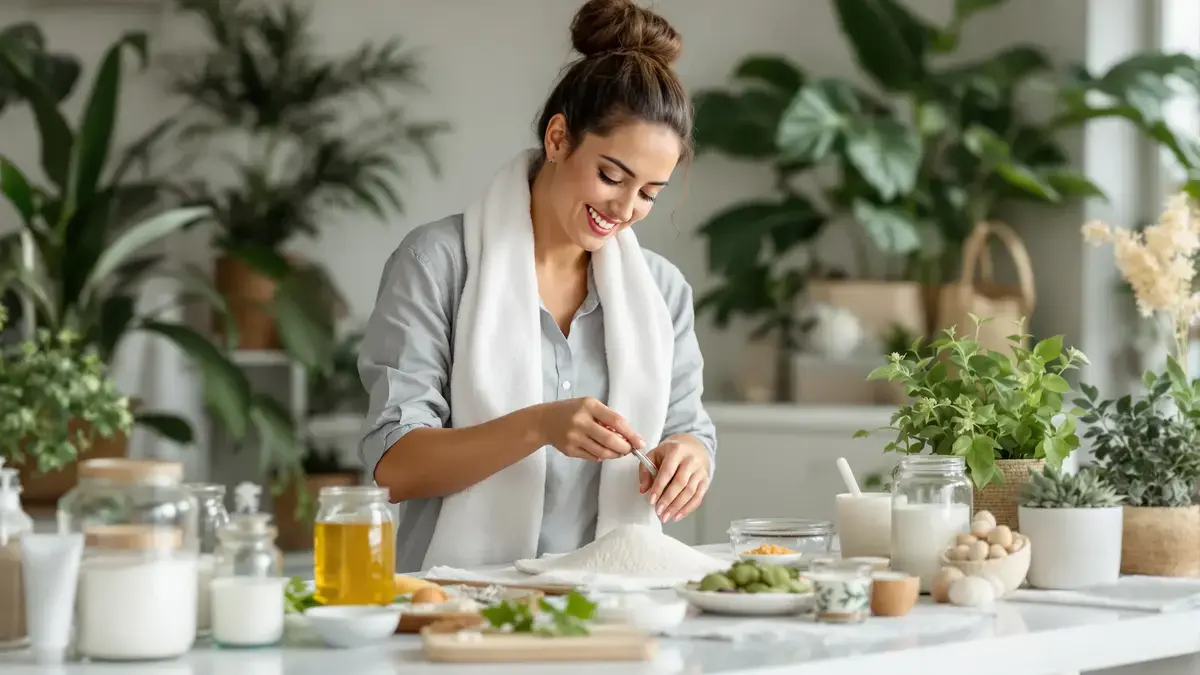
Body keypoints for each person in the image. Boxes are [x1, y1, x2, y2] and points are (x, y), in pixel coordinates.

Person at [359, 0, 716, 572]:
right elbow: (396, 465)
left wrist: (691, 458)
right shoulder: (437, 264)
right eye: (610, 176)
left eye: (650, 193)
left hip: (614, 606)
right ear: (557, 138)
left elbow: (688, 429)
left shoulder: (663, 292)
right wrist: (539, 426)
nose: (624, 208)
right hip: (462, 608)